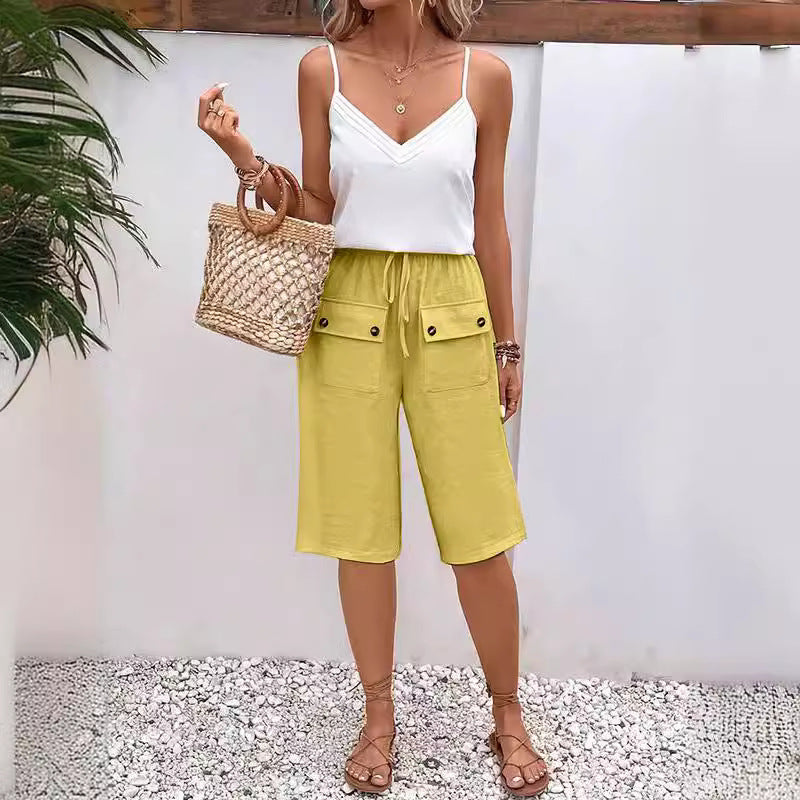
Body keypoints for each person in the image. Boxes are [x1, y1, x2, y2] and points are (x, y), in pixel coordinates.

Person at [197, 0, 549, 795]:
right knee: (360, 530)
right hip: (346, 308)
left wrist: (507, 343)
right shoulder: (320, 68)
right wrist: (245, 158)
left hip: (453, 308)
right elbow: (319, 209)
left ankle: (508, 713)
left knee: (480, 530)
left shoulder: (486, 77)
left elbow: (489, 221)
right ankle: (378, 716)